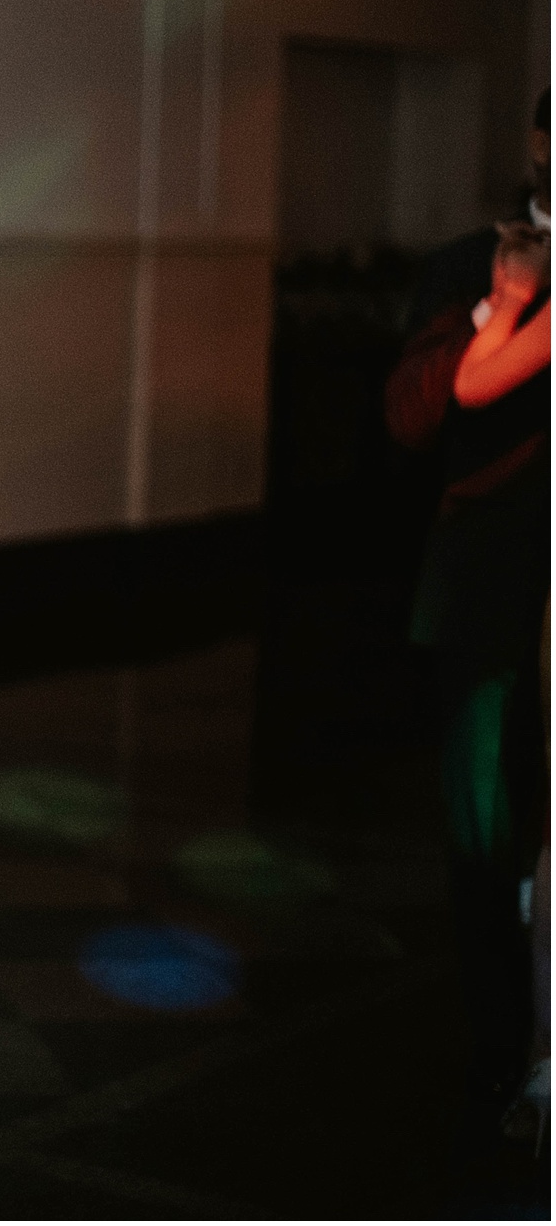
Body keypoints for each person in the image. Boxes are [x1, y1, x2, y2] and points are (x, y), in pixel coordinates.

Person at [385, 88, 549, 1182]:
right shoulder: (468, 264)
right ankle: (507, 1052)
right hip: (496, 591)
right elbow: (410, 415)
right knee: (488, 832)